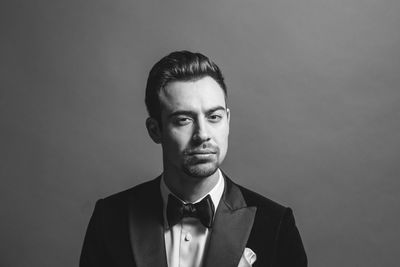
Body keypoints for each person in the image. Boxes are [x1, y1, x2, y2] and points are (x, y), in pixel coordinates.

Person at [80, 51, 307, 267]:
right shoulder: (108, 219)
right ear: (155, 130)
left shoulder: (276, 225)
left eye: (214, 117)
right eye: (183, 120)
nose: (202, 134)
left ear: (227, 121)